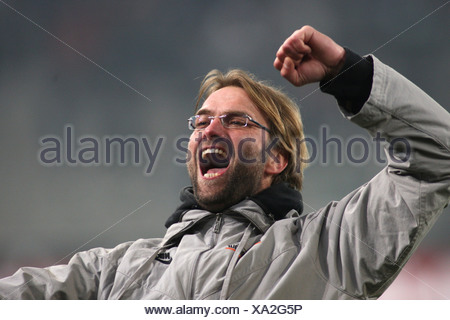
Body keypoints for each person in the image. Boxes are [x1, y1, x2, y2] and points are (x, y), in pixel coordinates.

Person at [0, 26, 448, 300]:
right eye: (201, 120)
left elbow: (436, 156)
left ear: (276, 158)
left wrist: (347, 72)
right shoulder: (114, 271)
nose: (209, 130)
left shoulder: (329, 249)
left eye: (235, 121)